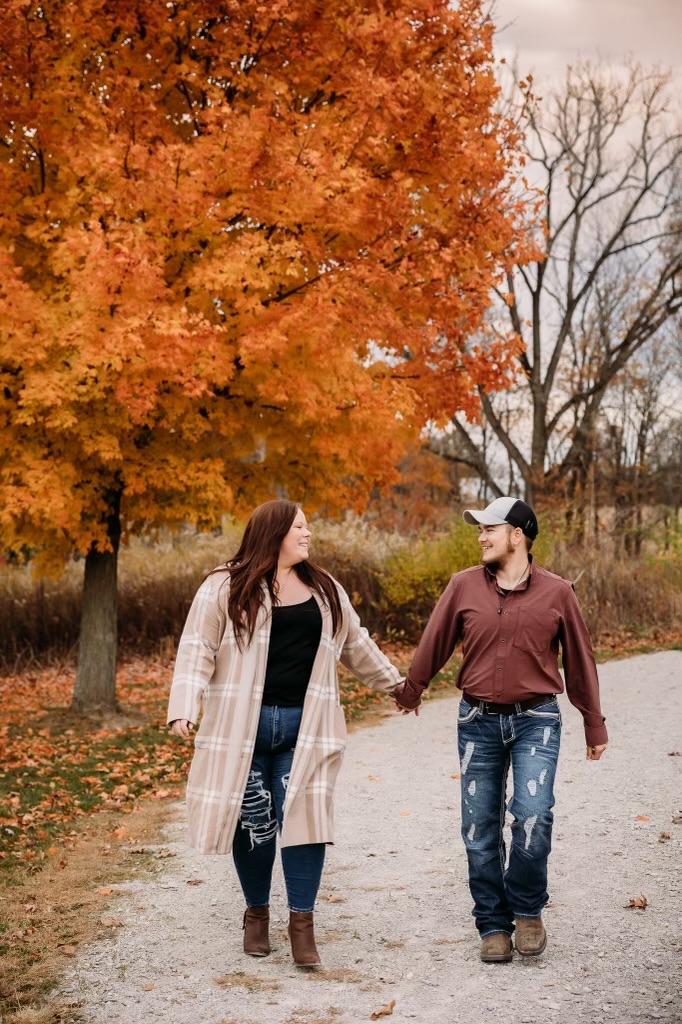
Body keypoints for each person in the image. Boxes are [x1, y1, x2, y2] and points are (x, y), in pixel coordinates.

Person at [167, 499, 401, 968]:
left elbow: (356, 644)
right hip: (242, 731)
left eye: (308, 526)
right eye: (300, 527)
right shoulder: (224, 587)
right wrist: (183, 708)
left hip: (307, 729)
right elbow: (197, 649)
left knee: (306, 822)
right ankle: (256, 914)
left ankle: (302, 926)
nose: (308, 534)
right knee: (252, 823)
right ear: (273, 533)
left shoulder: (324, 589)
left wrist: (398, 685)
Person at [393, 496, 608, 964]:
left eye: (490, 528)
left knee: (533, 816)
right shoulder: (463, 586)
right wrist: (412, 689)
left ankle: (527, 910)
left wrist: (593, 722)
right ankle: (492, 922)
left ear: (518, 535)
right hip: (477, 721)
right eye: (480, 529)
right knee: (479, 826)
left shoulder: (557, 593)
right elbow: (435, 640)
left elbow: (579, 659)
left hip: (537, 720)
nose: (481, 536)